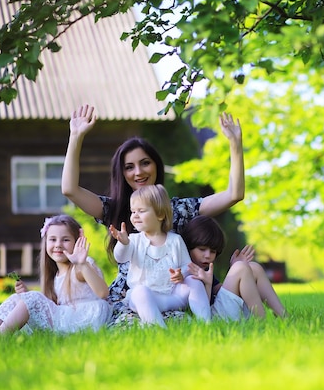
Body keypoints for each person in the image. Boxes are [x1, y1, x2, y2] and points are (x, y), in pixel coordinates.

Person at [62, 104, 244, 322]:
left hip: (175, 292)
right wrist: (76, 137)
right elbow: (70, 189)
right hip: (133, 295)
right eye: (129, 167)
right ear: (122, 173)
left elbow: (234, 194)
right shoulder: (115, 210)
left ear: (156, 166)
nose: (138, 172)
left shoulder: (179, 209)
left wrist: (235, 144)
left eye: (145, 163)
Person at [0, 215, 112, 337]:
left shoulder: (81, 266)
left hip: (86, 319)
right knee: (17, 298)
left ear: (77, 241)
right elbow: (53, 307)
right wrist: (26, 297)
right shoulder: (56, 274)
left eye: (65, 240)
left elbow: (103, 293)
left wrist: (82, 263)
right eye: (53, 240)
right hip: (66, 319)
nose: (58, 244)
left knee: (33, 298)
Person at [109, 185, 211, 327]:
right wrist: (123, 243)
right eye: (133, 212)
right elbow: (120, 257)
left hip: (172, 296)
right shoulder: (133, 240)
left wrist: (181, 274)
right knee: (139, 292)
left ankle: (206, 323)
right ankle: (158, 329)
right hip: (144, 298)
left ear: (160, 215)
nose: (135, 216)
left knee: (194, 282)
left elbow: (188, 266)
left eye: (141, 211)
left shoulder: (175, 240)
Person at [181, 215, 287, 320]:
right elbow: (202, 312)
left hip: (221, 311)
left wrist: (234, 271)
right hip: (211, 319)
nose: (208, 255)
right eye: (202, 249)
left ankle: (284, 316)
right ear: (189, 247)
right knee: (240, 268)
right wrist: (209, 284)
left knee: (254, 268)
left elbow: (221, 292)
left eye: (213, 251)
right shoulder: (185, 271)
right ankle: (261, 321)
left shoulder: (204, 270)